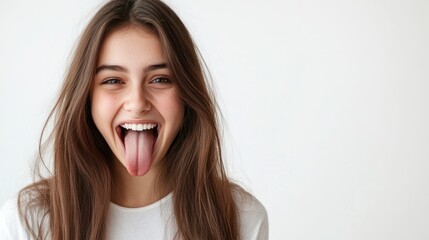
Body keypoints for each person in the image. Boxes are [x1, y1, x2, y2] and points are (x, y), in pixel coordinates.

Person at [0, 0, 268, 239]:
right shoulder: (28, 222)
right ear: (87, 98)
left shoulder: (240, 217)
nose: (137, 102)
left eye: (160, 79)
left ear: (188, 94)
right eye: (113, 80)